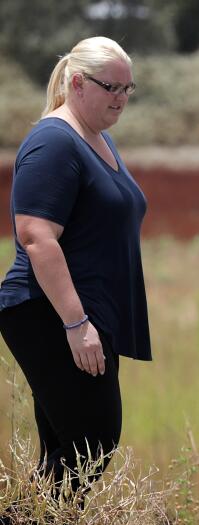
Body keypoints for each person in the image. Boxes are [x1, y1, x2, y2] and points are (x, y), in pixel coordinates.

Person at [0, 37, 150, 498]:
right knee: (92, 444)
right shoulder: (53, 142)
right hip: (49, 313)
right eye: (112, 88)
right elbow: (36, 236)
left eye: (129, 88)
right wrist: (76, 322)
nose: (121, 98)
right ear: (77, 83)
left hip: (83, 313)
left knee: (69, 453)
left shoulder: (96, 137)